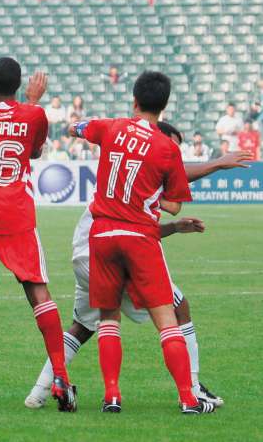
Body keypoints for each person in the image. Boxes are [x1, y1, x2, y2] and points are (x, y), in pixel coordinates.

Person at [25, 122, 253, 411]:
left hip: (89, 250)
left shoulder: (126, 164)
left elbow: (134, 222)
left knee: (83, 325)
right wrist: (218, 164)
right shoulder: (153, 158)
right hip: (118, 249)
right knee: (178, 308)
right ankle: (193, 392)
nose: (173, 158)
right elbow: (143, 225)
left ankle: (39, 391)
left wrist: (171, 228)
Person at [67, 71, 214, 415]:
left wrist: (75, 128)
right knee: (166, 318)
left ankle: (112, 396)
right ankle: (188, 398)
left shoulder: (111, 127)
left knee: (107, 318)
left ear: (134, 100)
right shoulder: (166, 147)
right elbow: (175, 204)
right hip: (139, 237)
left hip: (101, 235)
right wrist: (150, 196)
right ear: (163, 108)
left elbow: (78, 128)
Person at [0, 57, 76, 413]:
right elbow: (35, 151)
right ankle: (59, 376)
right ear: (21, 85)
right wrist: (33, 101)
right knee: (38, 292)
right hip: (16, 215)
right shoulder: (34, 115)